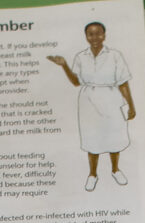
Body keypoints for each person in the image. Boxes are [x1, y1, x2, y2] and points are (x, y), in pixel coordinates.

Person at [46, 22, 136, 192]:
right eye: (91, 34)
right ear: (86, 36)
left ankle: (115, 170)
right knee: (92, 139)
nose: (95, 38)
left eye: (98, 33)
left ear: (105, 35)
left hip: (111, 98)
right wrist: (64, 65)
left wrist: (131, 105)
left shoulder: (115, 55)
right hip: (89, 101)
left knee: (114, 137)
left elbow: (123, 82)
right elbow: (75, 82)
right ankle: (93, 174)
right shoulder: (81, 57)